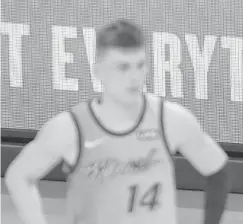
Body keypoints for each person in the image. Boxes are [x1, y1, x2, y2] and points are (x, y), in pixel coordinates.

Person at [5, 19, 230, 224]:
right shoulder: (70, 129)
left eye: (140, 65)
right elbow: (19, 176)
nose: (134, 77)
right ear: (98, 71)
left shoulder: (170, 119)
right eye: (122, 67)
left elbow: (217, 167)